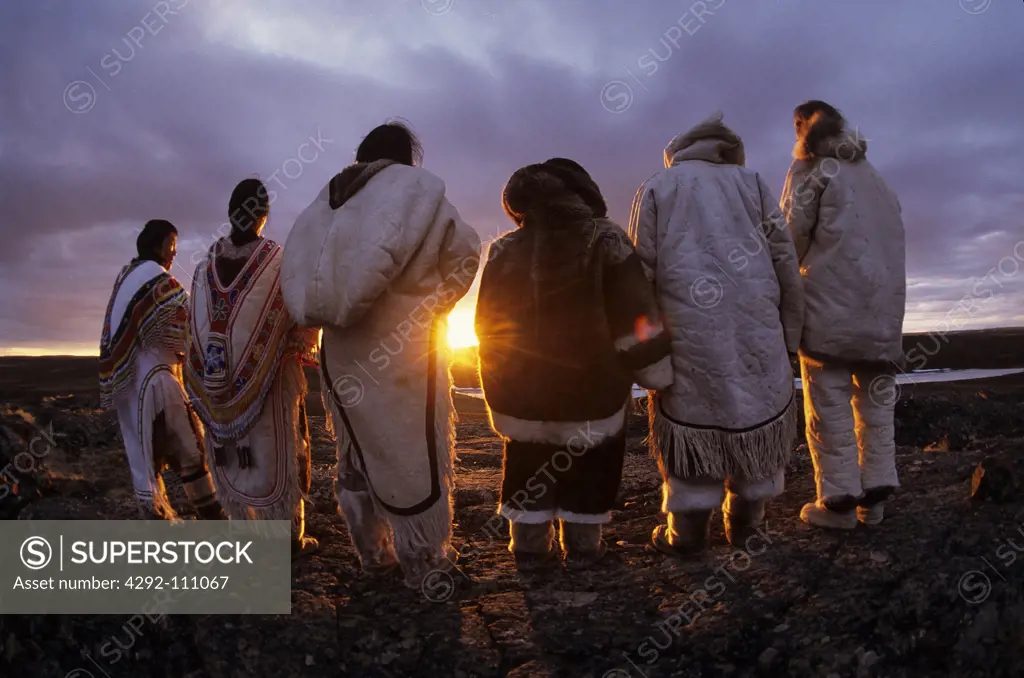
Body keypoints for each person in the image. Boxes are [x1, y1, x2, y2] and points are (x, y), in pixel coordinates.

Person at [281, 121, 481, 588]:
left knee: (357, 450)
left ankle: (373, 554)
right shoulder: (422, 191)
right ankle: (423, 562)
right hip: (408, 349)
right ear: (406, 156)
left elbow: (303, 276)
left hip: (344, 351)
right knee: (413, 452)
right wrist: (434, 306)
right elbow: (466, 253)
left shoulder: (327, 201)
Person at [476, 158, 672, 570]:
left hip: (522, 393)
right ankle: (584, 548)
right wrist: (653, 371)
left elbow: (487, 328)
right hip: (592, 392)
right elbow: (633, 317)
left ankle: (529, 548)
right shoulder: (609, 241)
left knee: (528, 465)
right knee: (591, 467)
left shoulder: (504, 249)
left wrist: (498, 383)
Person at [629, 111, 804, 554]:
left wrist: (650, 351)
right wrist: (789, 335)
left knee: (692, 431)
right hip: (756, 329)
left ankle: (685, 535)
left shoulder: (657, 186)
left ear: (679, 152)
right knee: (753, 421)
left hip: (688, 333)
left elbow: (641, 276)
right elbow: (785, 260)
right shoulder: (753, 183)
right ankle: (747, 527)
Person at [780, 100, 906, 529]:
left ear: (803, 128)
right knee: (876, 400)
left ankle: (836, 505)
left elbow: (789, 238)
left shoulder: (810, 171)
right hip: (884, 310)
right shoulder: (875, 178)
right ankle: (875, 496)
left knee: (828, 400)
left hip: (829, 306)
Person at [183, 179, 320, 556]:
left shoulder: (203, 265)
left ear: (230, 213)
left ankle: (244, 529)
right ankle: (286, 537)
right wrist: (296, 341)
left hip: (217, 391)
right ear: (263, 216)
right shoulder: (277, 260)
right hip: (271, 380)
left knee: (234, 454)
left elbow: (194, 326)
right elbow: (303, 311)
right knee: (278, 449)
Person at [99, 219, 224, 520]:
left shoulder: (127, 275)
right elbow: (189, 320)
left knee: (146, 454)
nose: (173, 254)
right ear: (157, 245)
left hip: (131, 381)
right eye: (171, 246)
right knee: (190, 446)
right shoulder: (155, 279)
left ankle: (157, 515)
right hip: (156, 379)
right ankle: (210, 515)